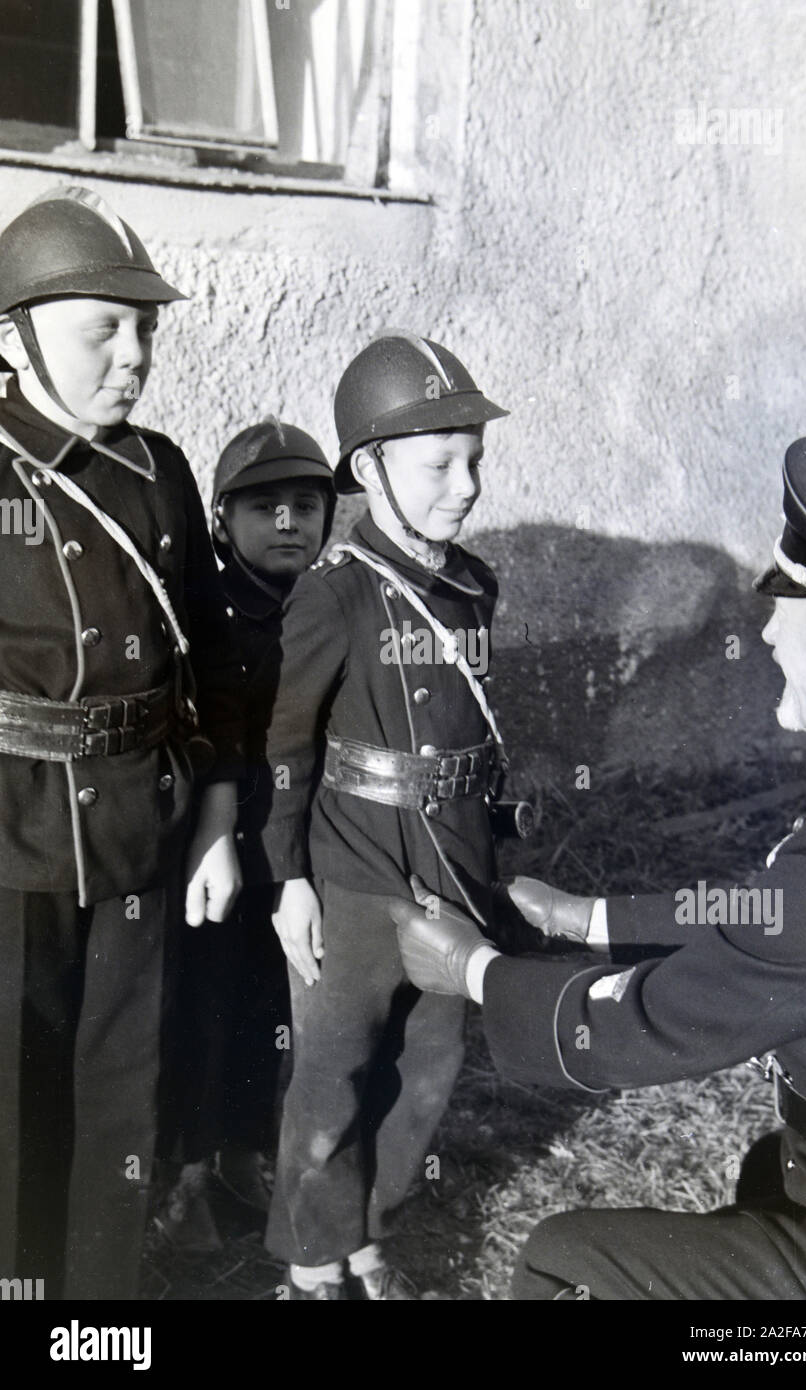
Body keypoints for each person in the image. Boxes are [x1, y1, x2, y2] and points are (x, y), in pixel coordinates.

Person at [391, 435, 806, 1301]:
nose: (762, 632)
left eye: (784, 608)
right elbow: (776, 919)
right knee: (766, 1175)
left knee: (563, 1258)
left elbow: (649, 1022)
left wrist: (473, 971)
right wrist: (591, 919)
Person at [0, 186, 244, 1300]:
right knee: (14, 1092)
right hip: (13, 837)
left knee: (121, 1092)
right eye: (103, 328)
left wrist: (222, 819)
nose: (134, 355)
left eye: (146, 327)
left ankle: (95, 1316)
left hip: (147, 822)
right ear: (16, 335)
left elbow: (216, 665)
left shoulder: (163, 472)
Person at [260, 330, 509, 1299]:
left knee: (432, 1059)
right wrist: (289, 880)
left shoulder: (474, 587)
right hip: (356, 868)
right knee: (332, 1071)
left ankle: (369, 1231)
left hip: (449, 864)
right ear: (370, 469)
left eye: (476, 460)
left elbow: (477, 733)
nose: (467, 485)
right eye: (440, 462)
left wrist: (499, 844)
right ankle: (313, 1261)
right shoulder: (334, 594)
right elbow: (283, 746)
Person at [158, 418, 335, 1250]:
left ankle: (242, 1151)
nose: (289, 522)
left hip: (293, 857)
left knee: (270, 1010)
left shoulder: (330, 609)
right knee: (202, 1008)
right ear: (222, 521)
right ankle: (186, 1176)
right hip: (210, 853)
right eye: (265, 507)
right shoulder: (209, 611)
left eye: (306, 504)